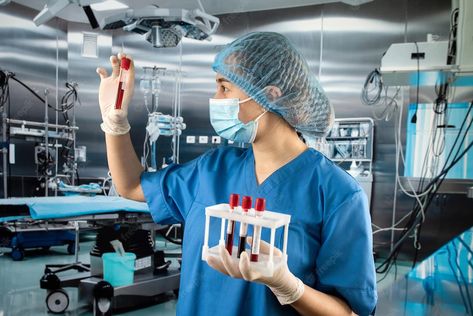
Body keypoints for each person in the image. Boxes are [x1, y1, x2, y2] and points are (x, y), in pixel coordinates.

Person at [96, 32, 377, 316]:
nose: (215, 98)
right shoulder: (212, 170)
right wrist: (114, 122)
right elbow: (130, 185)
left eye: (224, 87)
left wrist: (290, 288)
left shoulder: (337, 194)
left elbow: (350, 312)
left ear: (269, 95)